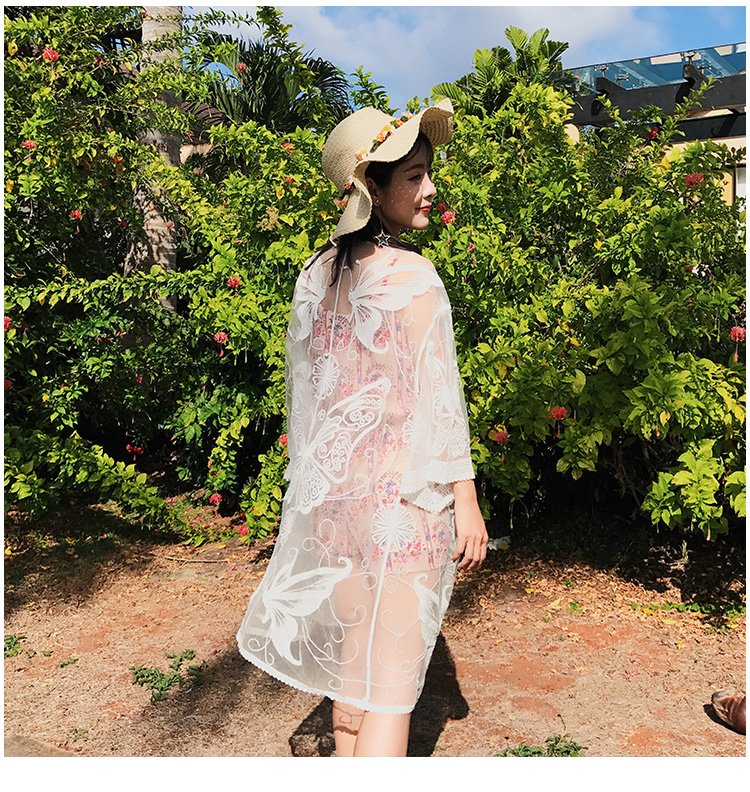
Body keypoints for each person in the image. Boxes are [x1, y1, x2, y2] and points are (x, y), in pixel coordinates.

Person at [237, 99, 488, 757]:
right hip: (404, 507)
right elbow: (440, 401)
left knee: (353, 676)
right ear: (370, 188)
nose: (430, 188)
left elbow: (309, 399)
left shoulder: (314, 274)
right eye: (413, 176)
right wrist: (465, 499)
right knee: (389, 693)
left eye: (428, 173)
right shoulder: (414, 277)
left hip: (339, 504)